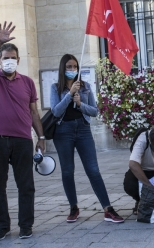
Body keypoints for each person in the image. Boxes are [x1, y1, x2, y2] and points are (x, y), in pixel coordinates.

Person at [0, 22, 45, 241]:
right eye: (5, 58)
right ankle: (2, 226)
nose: (9, 61)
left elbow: (34, 111)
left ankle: (26, 225)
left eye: (12, 58)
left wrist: (41, 136)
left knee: (25, 185)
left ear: (18, 60)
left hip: (22, 140)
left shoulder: (27, 82)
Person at [50, 54, 123, 224]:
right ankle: (73, 207)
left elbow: (95, 111)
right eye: (69, 67)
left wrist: (80, 103)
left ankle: (107, 208)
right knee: (67, 171)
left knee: (93, 170)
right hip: (63, 131)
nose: (72, 70)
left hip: (83, 129)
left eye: (75, 66)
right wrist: (70, 95)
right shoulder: (56, 88)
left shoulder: (86, 87)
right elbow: (56, 111)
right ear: (63, 68)